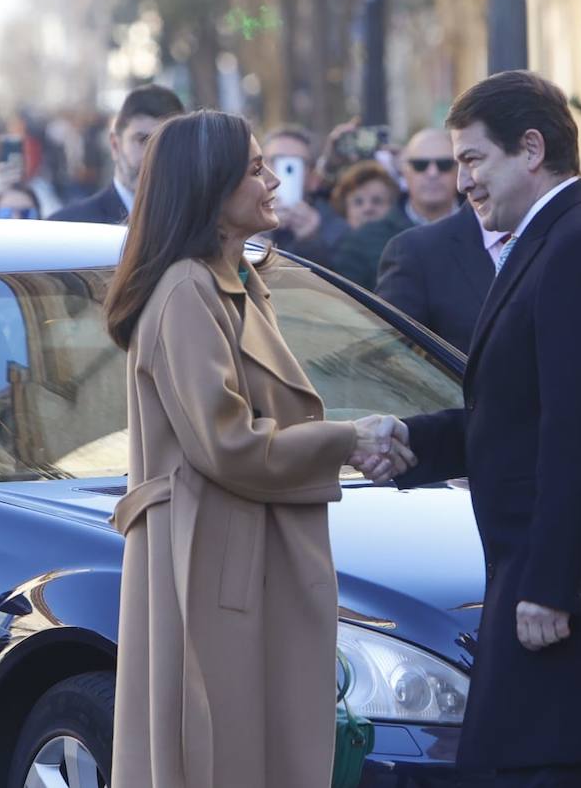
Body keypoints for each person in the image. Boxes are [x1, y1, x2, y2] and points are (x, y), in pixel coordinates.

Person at [394, 71, 581, 786]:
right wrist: (410, 441)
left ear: (530, 149)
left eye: (472, 160)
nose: (464, 181)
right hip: (561, 590)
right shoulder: (557, 239)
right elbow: (520, 418)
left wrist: (552, 586)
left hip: (574, 600)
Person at [102, 109, 412, 787]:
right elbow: (227, 443)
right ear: (211, 190)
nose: (273, 180)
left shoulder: (233, 280)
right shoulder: (188, 290)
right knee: (219, 754)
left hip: (234, 548)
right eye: (254, 168)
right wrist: (349, 441)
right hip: (209, 554)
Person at [375, 199, 498, 354]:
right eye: (465, 172)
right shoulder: (415, 251)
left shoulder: (535, 241)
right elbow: (389, 358)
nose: (463, 183)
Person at [50, 84, 184, 224]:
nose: (154, 154)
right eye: (143, 140)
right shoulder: (69, 228)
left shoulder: (199, 227)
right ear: (115, 145)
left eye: (167, 141)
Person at [265, 124, 350, 266]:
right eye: (276, 160)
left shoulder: (334, 226)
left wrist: (311, 241)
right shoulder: (237, 217)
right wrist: (258, 233)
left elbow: (345, 281)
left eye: (298, 163)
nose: (287, 170)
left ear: (312, 175)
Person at [329, 160, 411, 289]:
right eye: (358, 202)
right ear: (345, 209)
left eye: (377, 201)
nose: (368, 208)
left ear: (392, 207)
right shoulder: (329, 247)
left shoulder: (403, 247)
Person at [399, 128, 460, 225]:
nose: (433, 173)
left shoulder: (484, 229)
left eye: (444, 164)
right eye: (420, 165)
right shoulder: (374, 236)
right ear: (405, 172)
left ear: (459, 169)